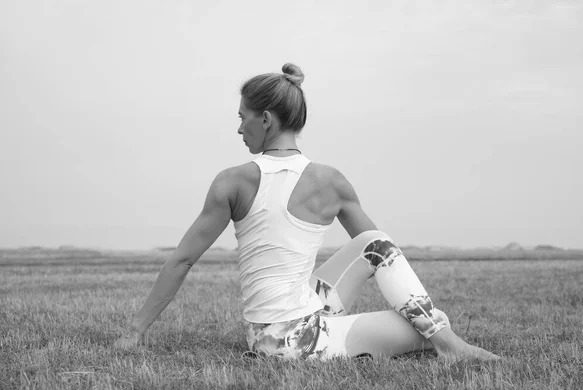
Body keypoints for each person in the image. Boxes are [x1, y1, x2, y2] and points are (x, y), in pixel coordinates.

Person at [114, 63, 499, 362]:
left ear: (265, 119)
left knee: (382, 256)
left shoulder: (232, 181)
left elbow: (182, 260)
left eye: (241, 117)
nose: (239, 129)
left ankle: (444, 342)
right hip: (293, 342)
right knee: (426, 321)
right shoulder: (330, 181)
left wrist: (135, 330)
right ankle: (448, 344)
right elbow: (387, 254)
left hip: (276, 327)